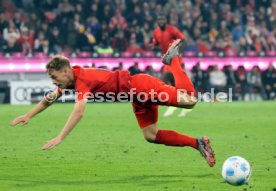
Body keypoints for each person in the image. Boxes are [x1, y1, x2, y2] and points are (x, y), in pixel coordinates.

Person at [11, 39, 216, 167]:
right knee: (151, 136)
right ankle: (198, 143)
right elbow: (50, 98)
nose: (53, 81)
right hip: (135, 97)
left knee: (190, 101)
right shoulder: (71, 78)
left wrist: (60, 137)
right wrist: (28, 115)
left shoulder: (82, 80)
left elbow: (78, 112)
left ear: (65, 71)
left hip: (141, 86)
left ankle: (174, 60)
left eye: (54, 77)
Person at [152, 14, 191, 117]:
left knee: (164, 81)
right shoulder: (156, 32)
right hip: (167, 60)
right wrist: (153, 47)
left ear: (166, 21)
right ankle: (181, 104)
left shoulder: (172, 30)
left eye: (163, 20)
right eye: (159, 20)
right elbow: (156, 43)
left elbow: (183, 39)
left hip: (175, 59)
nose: (161, 22)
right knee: (174, 85)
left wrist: (178, 53)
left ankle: (173, 104)